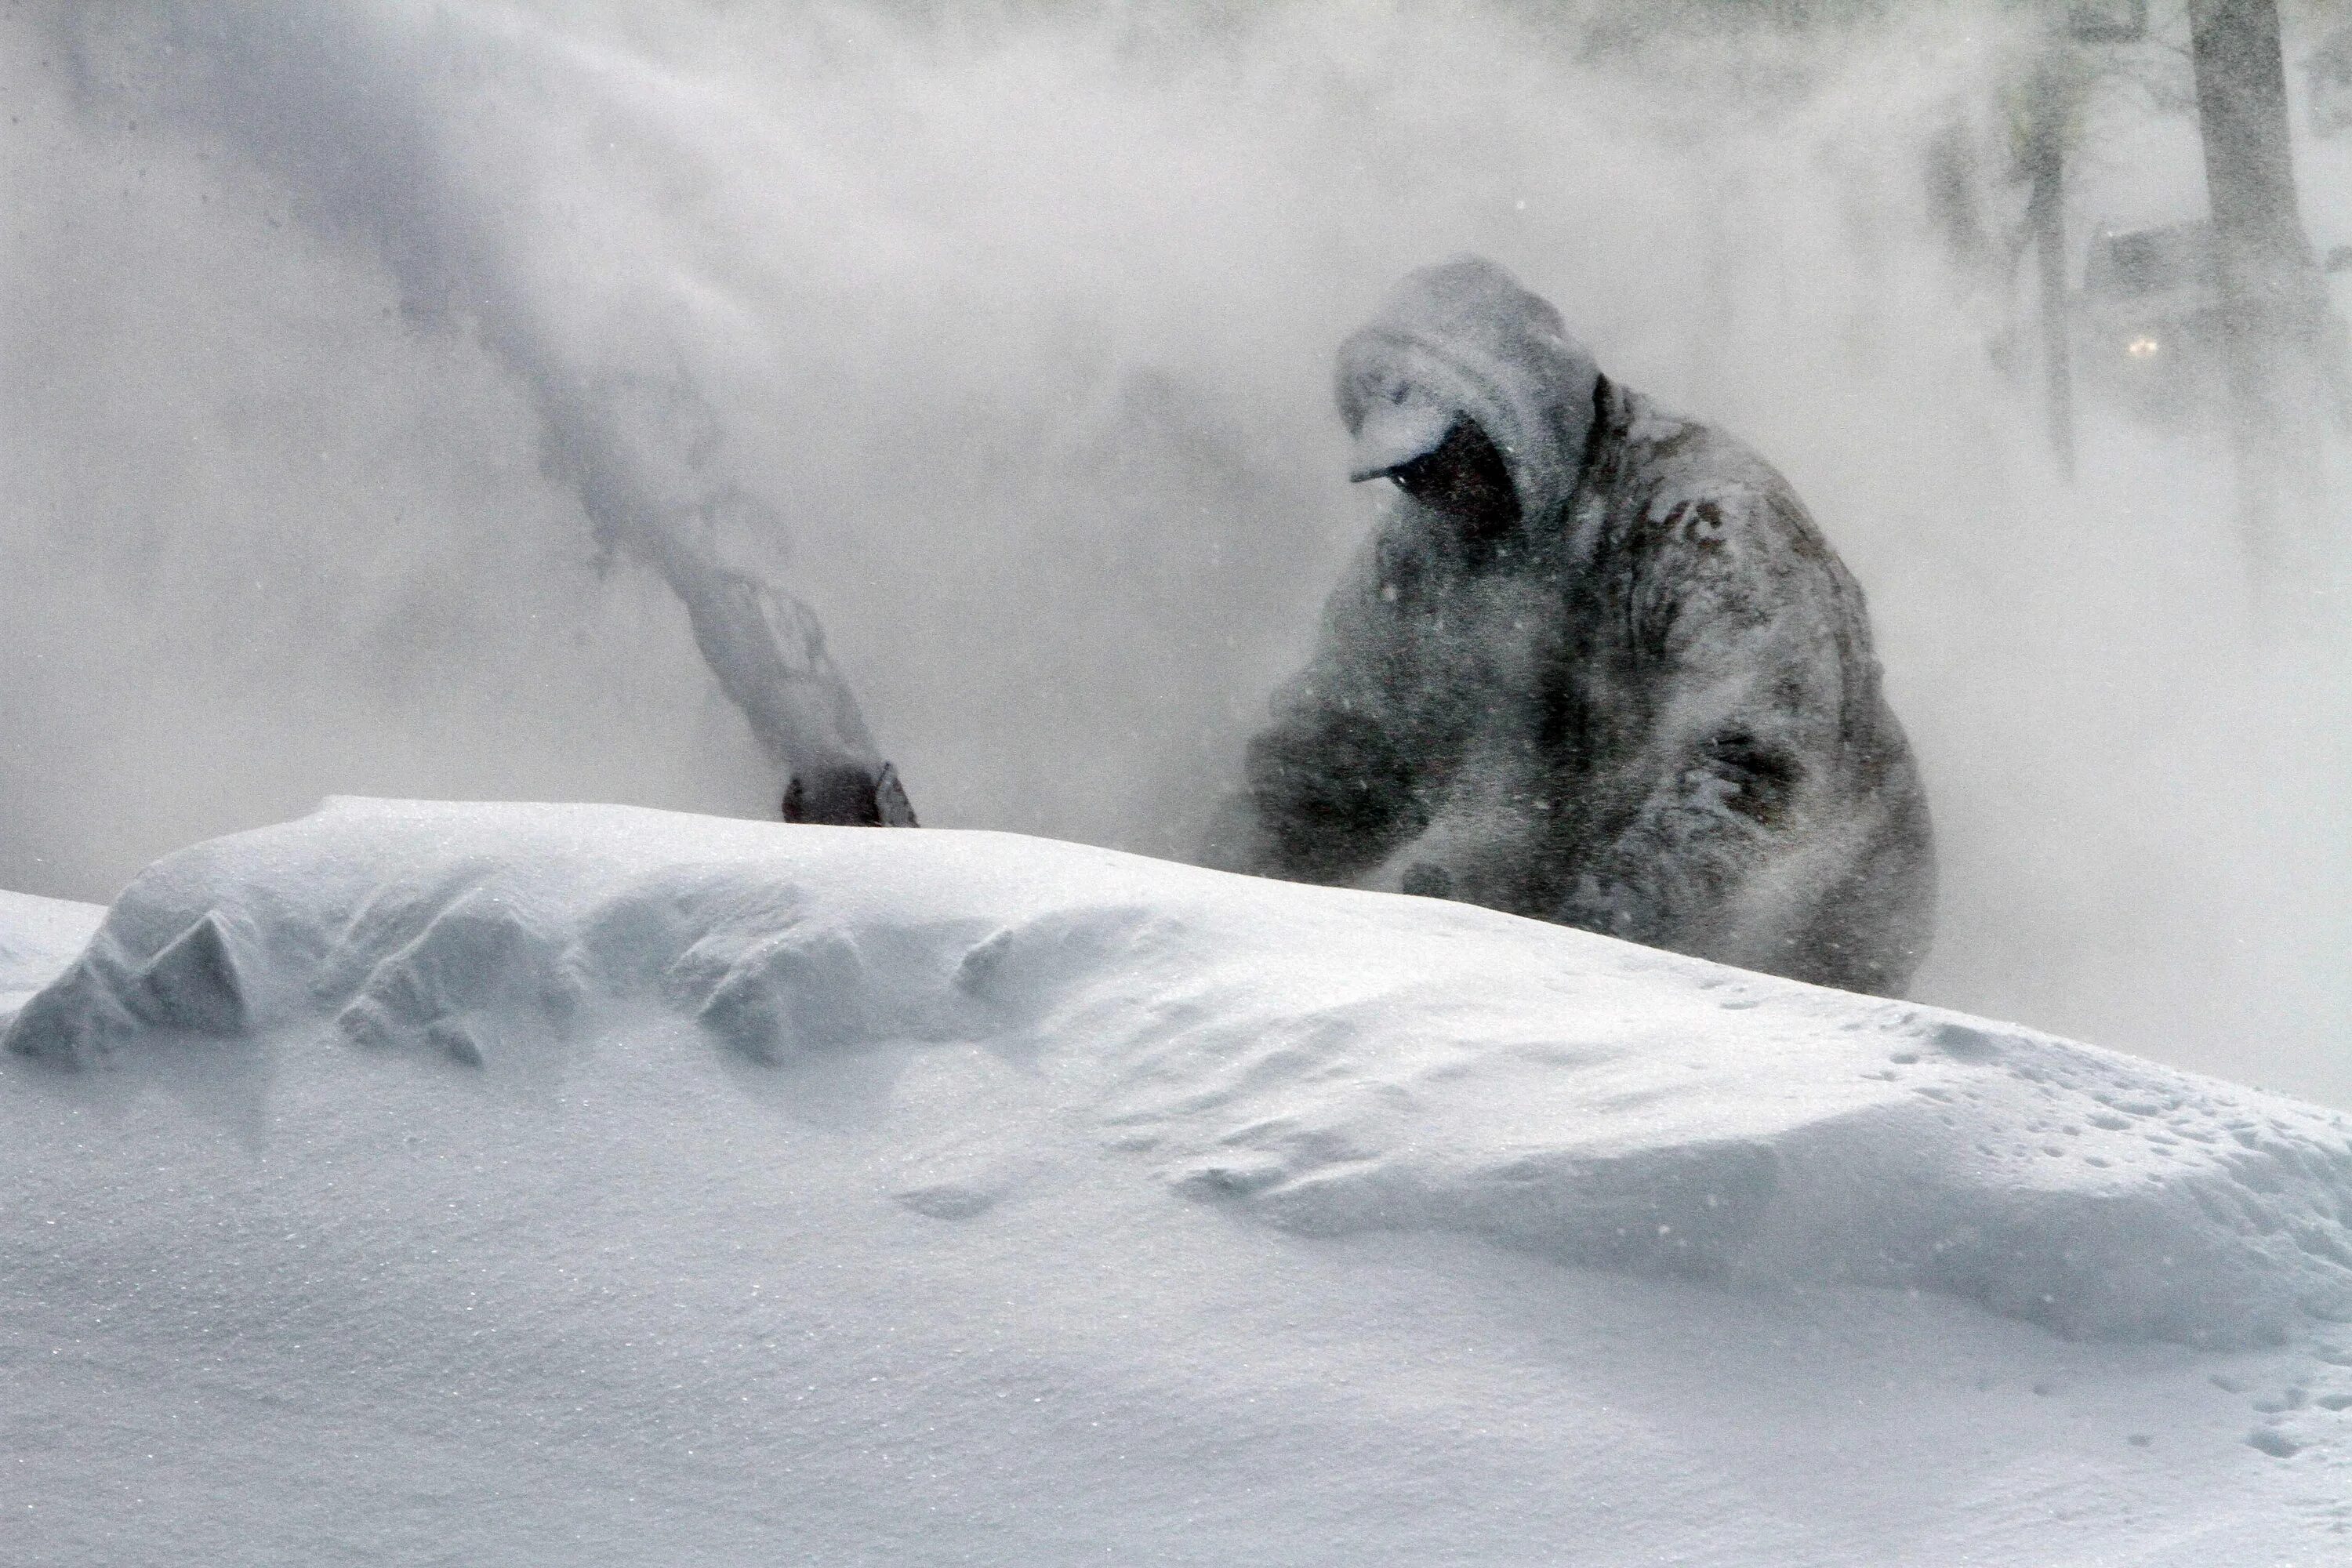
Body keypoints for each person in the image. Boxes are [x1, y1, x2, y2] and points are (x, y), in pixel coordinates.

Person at [1206, 257, 1934, 995]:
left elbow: (1757, 772)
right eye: (1405, 474)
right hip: (1571, 915)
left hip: (1801, 944)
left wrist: (1594, 951)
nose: (1426, 492)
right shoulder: (1427, 552)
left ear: (1514, 416)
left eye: (1443, 460)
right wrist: (1222, 909)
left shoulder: (1706, 521)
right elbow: (1341, 748)